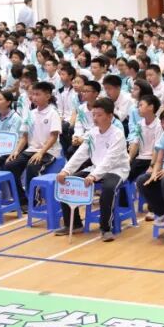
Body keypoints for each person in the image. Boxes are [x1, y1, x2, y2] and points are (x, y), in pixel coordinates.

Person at [55, 98, 129, 241]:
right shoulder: (91, 133)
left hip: (116, 170)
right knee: (67, 182)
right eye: (93, 114)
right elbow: (80, 154)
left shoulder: (117, 134)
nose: (95, 118)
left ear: (110, 116)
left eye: (99, 115)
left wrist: (94, 176)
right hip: (95, 168)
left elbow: (110, 160)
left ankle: (106, 228)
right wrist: (66, 171)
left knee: (108, 189)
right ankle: (74, 224)